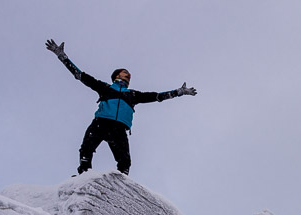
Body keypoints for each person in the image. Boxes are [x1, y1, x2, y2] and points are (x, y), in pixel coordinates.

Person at [45, 39, 197, 176]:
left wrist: (179, 92)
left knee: (125, 161)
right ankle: (84, 175)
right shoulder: (106, 88)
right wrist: (62, 57)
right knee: (86, 149)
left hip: (119, 129)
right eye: (125, 73)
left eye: (129, 74)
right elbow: (81, 76)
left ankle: (121, 185)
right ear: (116, 76)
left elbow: (157, 96)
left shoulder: (132, 95)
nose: (128, 75)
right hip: (101, 123)